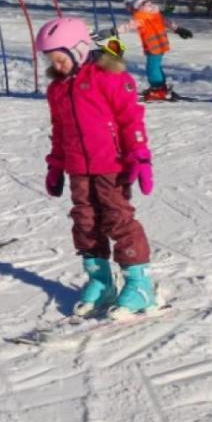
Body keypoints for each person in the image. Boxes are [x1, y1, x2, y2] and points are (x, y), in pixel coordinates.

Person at [35, 16, 159, 319]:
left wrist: (139, 155)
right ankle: (101, 281)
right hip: (78, 168)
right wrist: (56, 165)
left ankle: (139, 284)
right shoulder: (58, 90)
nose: (56, 65)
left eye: (60, 58)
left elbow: (130, 118)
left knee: (117, 218)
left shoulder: (109, 77)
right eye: (50, 59)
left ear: (78, 50)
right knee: (85, 222)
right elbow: (60, 130)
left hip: (111, 165)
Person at [117, 0, 193, 101]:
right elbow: (165, 21)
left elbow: (129, 26)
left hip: (153, 46)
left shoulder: (141, 15)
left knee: (152, 69)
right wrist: (178, 29)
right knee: (156, 67)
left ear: (136, 4)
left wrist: (114, 31)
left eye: (130, 7)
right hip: (160, 45)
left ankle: (157, 90)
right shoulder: (153, 12)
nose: (130, 11)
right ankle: (161, 87)